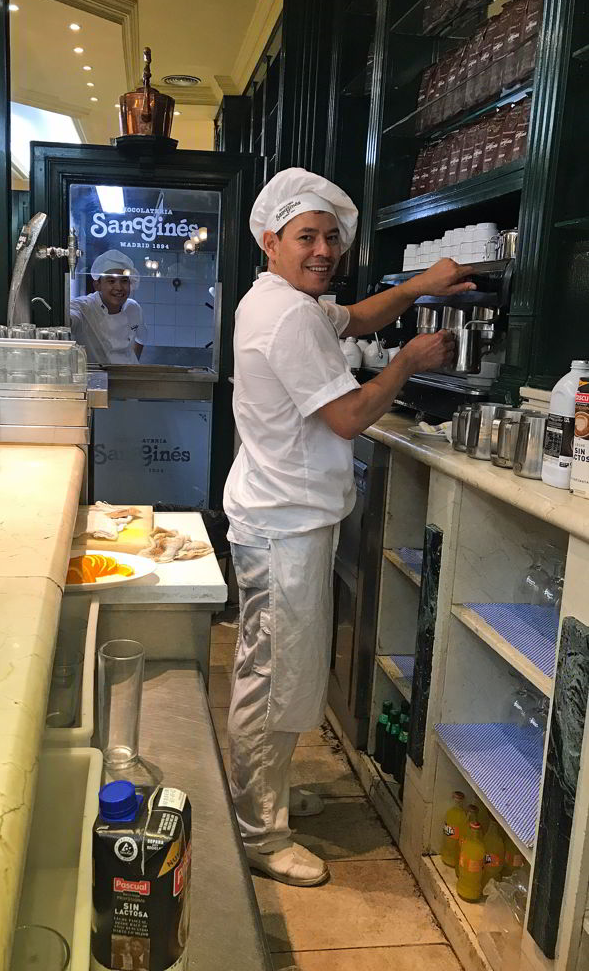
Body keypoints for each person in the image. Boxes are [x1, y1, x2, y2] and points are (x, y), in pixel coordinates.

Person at [223, 167, 475, 888]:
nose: (324, 249)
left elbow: (357, 316)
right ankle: (259, 835)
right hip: (283, 526)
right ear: (271, 239)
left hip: (280, 515)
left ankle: (260, 798)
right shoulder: (288, 317)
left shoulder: (278, 298)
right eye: (307, 236)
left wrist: (417, 287)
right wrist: (408, 361)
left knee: (277, 671)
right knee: (272, 679)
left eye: (332, 237)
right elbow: (348, 416)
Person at [70, 249, 145, 364]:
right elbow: (70, 316)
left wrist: (133, 367)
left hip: (127, 376)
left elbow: (141, 339)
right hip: (96, 378)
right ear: (97, 285)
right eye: (111, 281)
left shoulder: (134, 308)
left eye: (124, 281)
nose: (119, 287)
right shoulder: (84, 307)